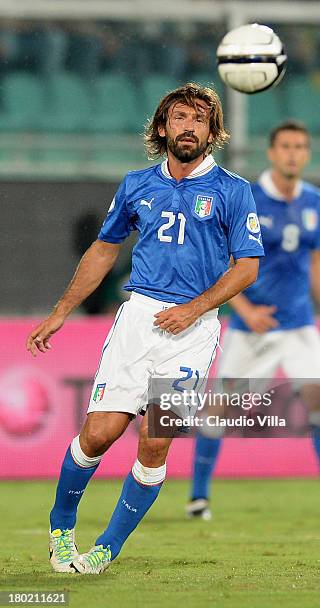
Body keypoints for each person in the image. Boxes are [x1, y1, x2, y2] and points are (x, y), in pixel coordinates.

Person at [26, 83, 264, 575]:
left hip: (194, 333)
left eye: (200, 118)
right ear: (163, 127)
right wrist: (61, 310)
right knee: (98, 436)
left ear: (213, 132)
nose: (189, 126)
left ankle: (106, 549)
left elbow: (246, 269)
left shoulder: (233, 192)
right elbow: (104, 249)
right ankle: (61, 528)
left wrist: (194, 310)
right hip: (138, 321)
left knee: (156, 440)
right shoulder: (137, 184)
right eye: (180, 117)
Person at [186, 120, 320, 521]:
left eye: (300, 146)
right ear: (271, 152)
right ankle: (198, 497)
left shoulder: (316, 200)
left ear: (307, 153)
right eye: (285, 146)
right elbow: (223, 260)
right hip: (253, 328)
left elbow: (315, 261)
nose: (293, 153)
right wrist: (244, 310)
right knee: (218, 410)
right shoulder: (245, 196)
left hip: (299, 325)